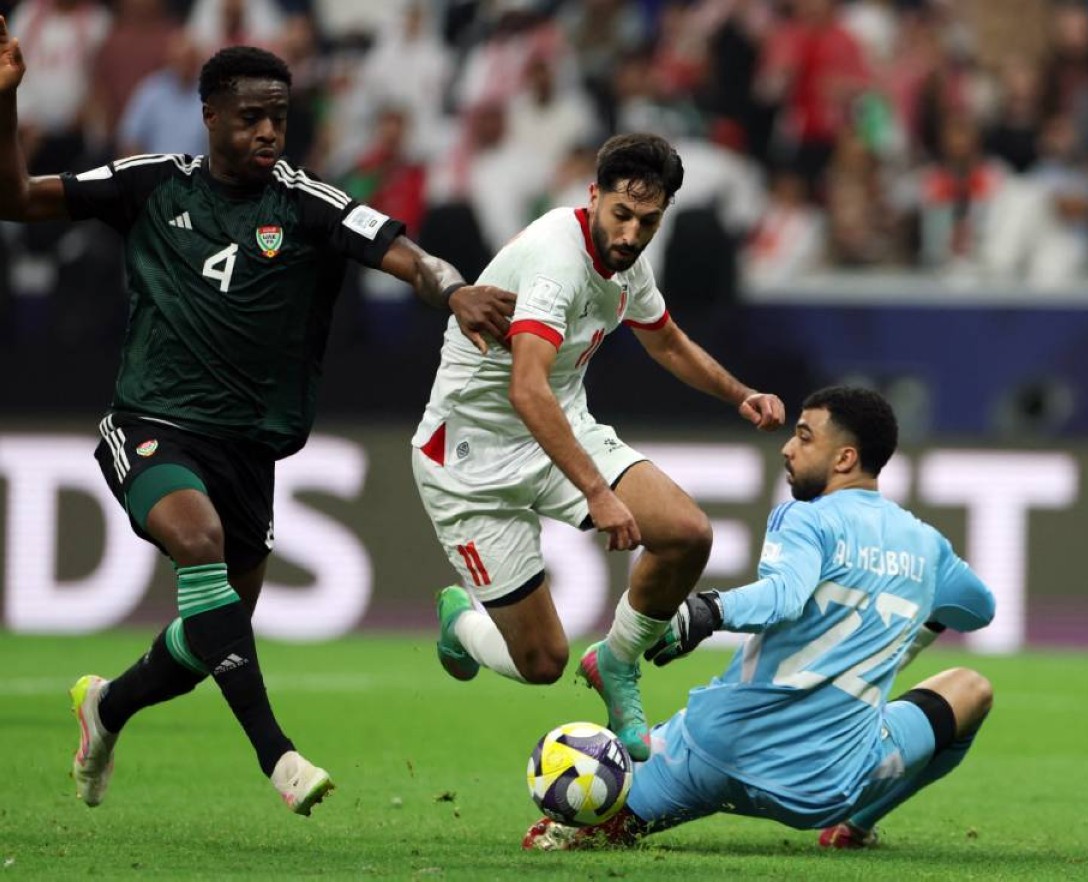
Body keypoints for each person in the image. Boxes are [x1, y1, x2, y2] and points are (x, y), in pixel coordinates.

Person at [0, 23, 515, 815]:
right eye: (250, 117)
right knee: (197, 542)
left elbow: (408, 256)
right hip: (152, 422)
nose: (269, 131)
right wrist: (6, 102)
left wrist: (454, 290)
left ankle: (105, 707)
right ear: (209, 116)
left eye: (279, 116)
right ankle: (278, 756)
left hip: (249, 452)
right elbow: (16, 198)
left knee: (213, 636)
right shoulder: (151, 183)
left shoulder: (306, 204)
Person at [412, 132, 787, 763]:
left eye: (649, 221)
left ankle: (616, 662)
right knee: (540, 662)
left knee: (687, 534)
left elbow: (665, 340)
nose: (633, 233)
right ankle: (463, 624)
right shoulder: (556, 262)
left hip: (559, 427)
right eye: (622, 214)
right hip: (470, 462)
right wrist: (596, 492)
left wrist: (739, 393)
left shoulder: (625, 260)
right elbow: (526, 389)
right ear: (593, 197)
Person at [523, 386, 996, 851]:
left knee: (564, 837)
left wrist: (705, 611)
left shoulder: (808, 518)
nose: (788, 449)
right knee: (972, 688)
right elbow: (979, 609)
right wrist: (921, 622)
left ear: (845, 459)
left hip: (710, 756)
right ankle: (854, 828)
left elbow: (783, 597)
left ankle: (595, 824)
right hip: (822, 786)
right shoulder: (929, 548)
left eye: (805, 437)